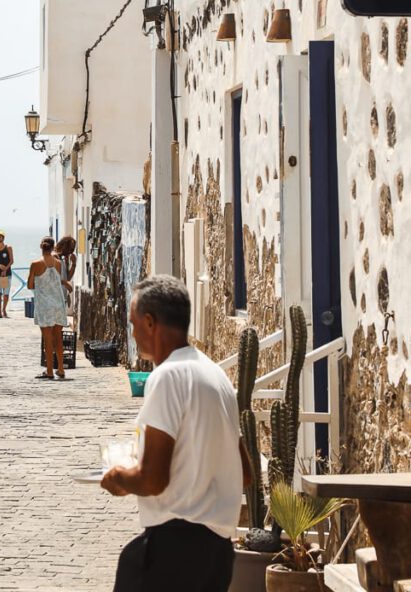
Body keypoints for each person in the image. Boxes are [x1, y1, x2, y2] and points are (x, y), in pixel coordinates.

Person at [101, 275, 250, 592]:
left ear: (150, 322)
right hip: (217, 552)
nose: (132, 332)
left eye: (133, 324)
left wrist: (118, 477)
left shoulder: (167, 377)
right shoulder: (216, 375)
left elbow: (153, 480)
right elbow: (245, 473)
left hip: (174, 550)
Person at [27, 236, 71, 379]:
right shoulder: (58, 263)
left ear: (41, 246)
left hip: (44, 306)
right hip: (58, 303)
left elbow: (30, 285)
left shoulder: (35, 264)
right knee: (58, 338)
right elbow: (58, 280)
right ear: (53, 247)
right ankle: (61, 369)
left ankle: (50, 371)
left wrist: (40, 284)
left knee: (47, 340)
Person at [0, 230, 14, 318]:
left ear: (3, 238)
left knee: (6, 293)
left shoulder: (8, 248)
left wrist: (5, 269)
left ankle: (4, 309)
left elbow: (11, 261)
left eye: (0, 237)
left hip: (7, 274)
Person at [54, 235, 77, 308]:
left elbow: (68, 278)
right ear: (64, 246)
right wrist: (66, 284)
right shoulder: (54, 257)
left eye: (73, 249)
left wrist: (73, 264)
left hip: (61, 297)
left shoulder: (62, 259)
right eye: (70, 248)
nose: (71, 251)